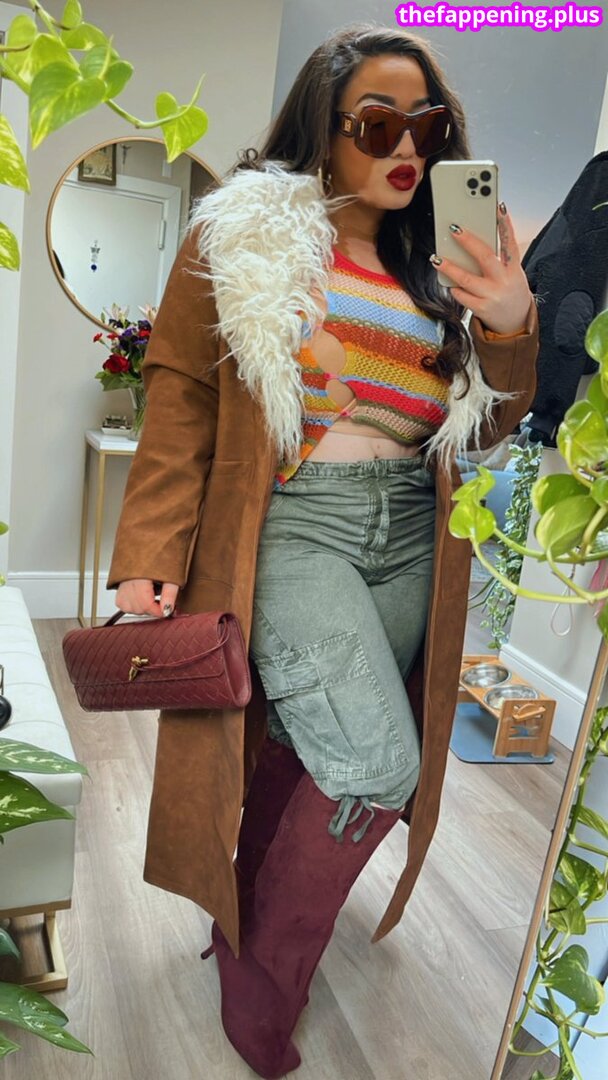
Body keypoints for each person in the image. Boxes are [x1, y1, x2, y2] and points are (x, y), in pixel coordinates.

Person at [107, 22, 539, 1079]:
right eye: (378, 124)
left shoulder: (438, 264)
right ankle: (263, 980)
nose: (408, 147)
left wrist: (509, 323)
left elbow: (483, 425)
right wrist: (147, 549)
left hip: (411, 532)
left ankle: (239, 915)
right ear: (323, 128)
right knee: (378, 764)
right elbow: (181, 396)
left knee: (309, 752)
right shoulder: (242, 238)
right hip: (298, 521)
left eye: (426, 125)